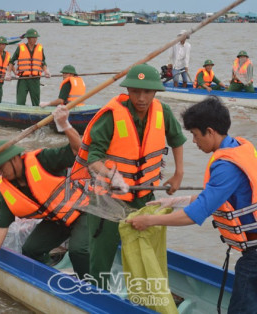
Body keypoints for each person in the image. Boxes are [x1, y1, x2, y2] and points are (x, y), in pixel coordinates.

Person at [127, 96, 257, 314]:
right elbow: (215, 199)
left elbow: (194, 215)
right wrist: (173, 202)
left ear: (210, 132)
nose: (194, 142)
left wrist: (149, 220)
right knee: (248, 306)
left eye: (196, 135)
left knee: (242, 311)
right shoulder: (238, 147)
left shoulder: (226, 167)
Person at [71, 63, 187, 289]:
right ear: (127, 91)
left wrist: (178, 173)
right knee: (102, 256)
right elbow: (93, 158)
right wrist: (112, 175)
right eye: (135, 91)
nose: (141, 98)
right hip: (108, 198)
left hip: (144, 196)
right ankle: (99, 296)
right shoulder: (111, 116)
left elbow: (177, 140)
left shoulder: (163, 112)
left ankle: (144, 297)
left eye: (146, 92)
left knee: (145, 250)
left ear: (155, 92)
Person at [0, 106, 90, 283]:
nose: (0, 174)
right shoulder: (9, 188)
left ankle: (90, 287)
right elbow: (2, 228)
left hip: (82, 211)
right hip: (58, 220)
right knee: (31, 249)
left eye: (1, 168)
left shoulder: (43, 160)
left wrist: (65, 125)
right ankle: (48, 279)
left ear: (13, 159)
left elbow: (78, 151)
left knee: (78, 250)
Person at [6, 28, 50, 106]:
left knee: (36, 102)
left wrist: (46, 71)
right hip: (23, 79)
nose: (35, 39)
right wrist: (8, 73)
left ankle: (36, 116)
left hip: (35, 79)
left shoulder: (40, 48)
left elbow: (43, 62)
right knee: (20, 101)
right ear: (28, 38)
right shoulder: (20, 48)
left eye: (36, 38)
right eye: (33, 38)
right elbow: (11, 61)